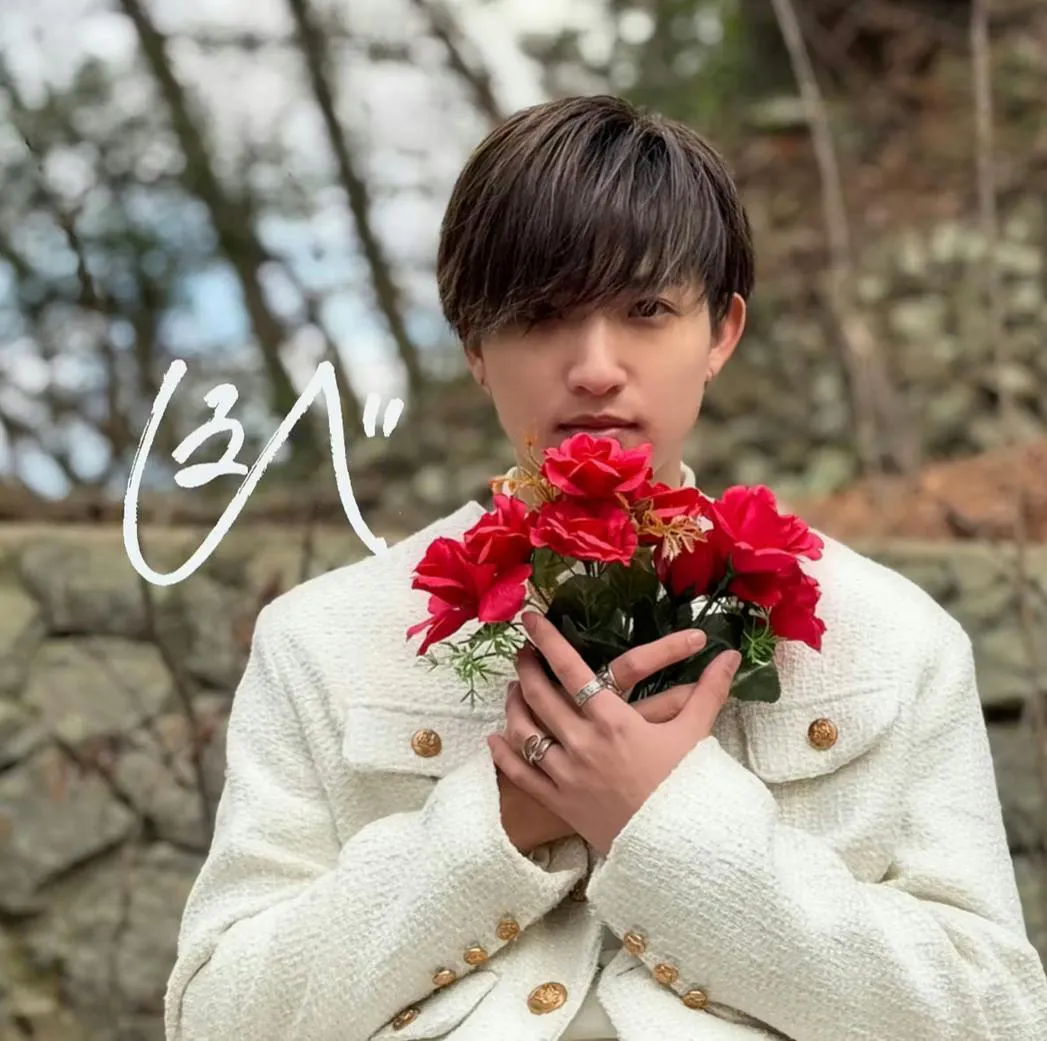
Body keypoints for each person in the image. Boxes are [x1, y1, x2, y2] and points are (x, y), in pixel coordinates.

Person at [163, 95, 1047, 1041]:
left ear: (720, 333)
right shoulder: (321, 640)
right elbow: (217, 1018)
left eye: (645, 309)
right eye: (542, 314)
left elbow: (995, 1014)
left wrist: (665, 822)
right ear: (473, 344)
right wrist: (493, 825)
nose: (593, 367)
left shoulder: (890, 636)